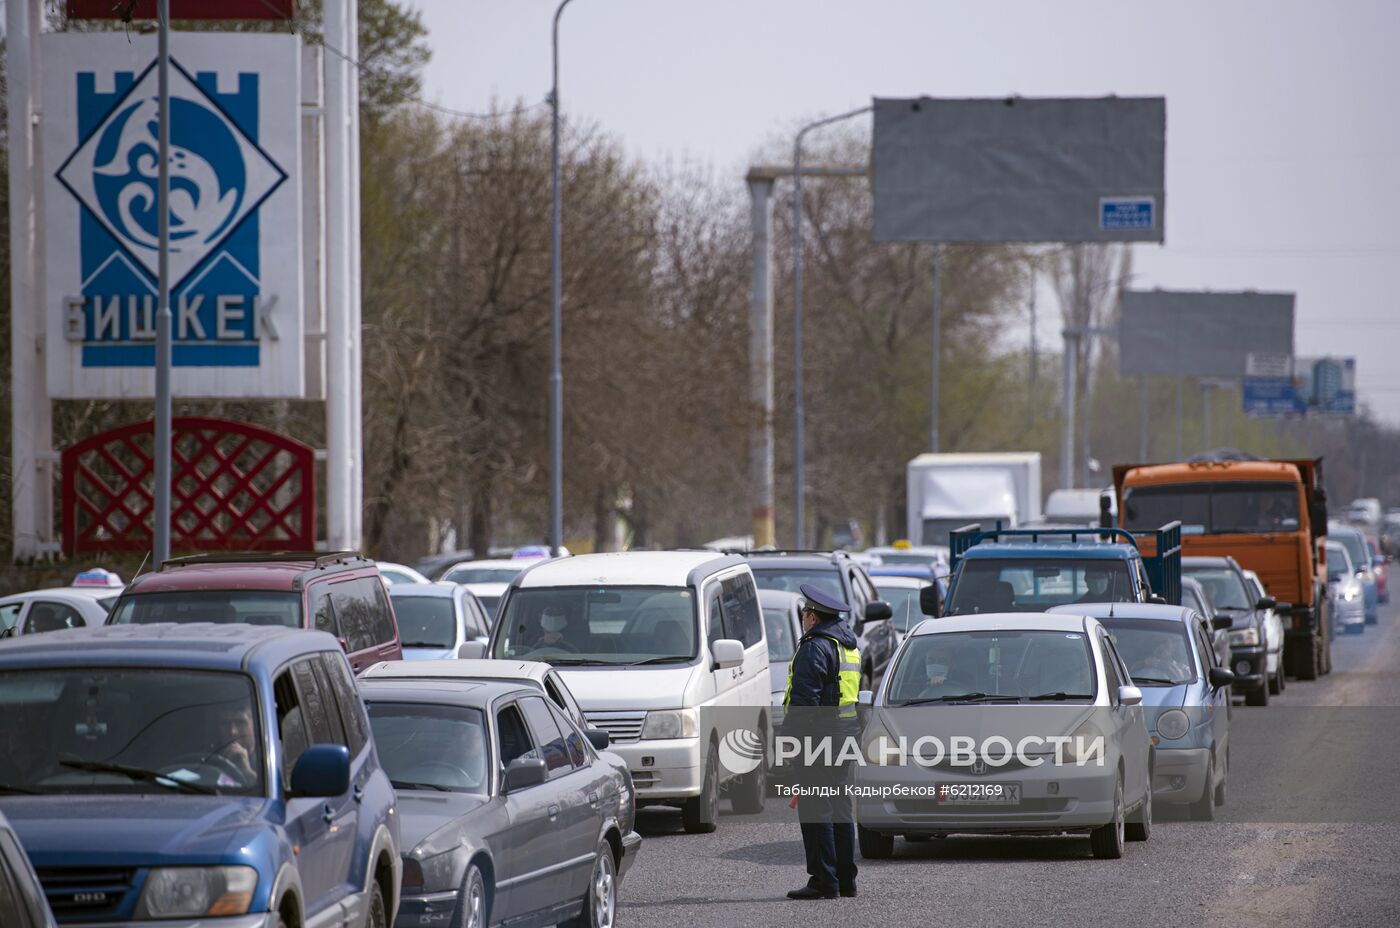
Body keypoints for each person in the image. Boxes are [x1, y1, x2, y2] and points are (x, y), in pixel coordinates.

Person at [783, 583, 862, 901]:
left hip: (818, 740)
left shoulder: (815, 647)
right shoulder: (848, 645)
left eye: (804, 612)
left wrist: (790, 742)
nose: (802, 617)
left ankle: (823, 881)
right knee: (841, 810)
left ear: (813, 617)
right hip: (844, 738)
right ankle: (846, 880)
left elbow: (804, 704)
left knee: (817, 810)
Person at [211, 703, 259, 786]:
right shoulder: (209, 760)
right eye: (225, 723)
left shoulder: (270, 760)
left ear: (255, 725)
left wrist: (247, 773)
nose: (233, 731)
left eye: (240, 722)